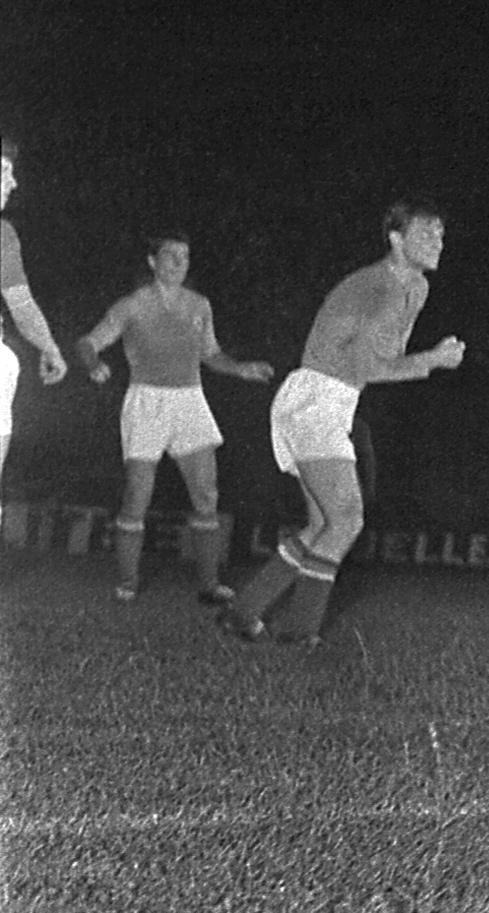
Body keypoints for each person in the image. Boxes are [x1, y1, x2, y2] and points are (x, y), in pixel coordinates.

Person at [220, 202, 463, 647]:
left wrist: (422, 360)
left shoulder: (416, 287)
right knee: (347, 519)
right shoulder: (378, 287)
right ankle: (298, 633)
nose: (438, 242)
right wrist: (433, 360)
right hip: (316, 398)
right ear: (395, 238)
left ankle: (242, 612)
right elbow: (365, 364)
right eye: (427, 233)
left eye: (442, 235)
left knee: (321, 527)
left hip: (331, 400)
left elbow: (378, 361)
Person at [78, 233, 276, 602]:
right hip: (146, 401)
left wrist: (241, 369)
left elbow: (211, 354)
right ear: (152, 261)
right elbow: (88, 341)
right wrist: (94, 364)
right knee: (138, 493)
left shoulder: (200, 305)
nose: (178, 264)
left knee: (206, 491)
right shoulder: (132, 305)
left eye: (184, 257)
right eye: (170, 256)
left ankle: (208, 585)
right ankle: (127, 581)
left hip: (189, 400)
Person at [0, 139, 69, 488]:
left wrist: (50, 347)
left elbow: (22, 305)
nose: (13, 183)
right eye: (4, 172)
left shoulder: (3, 235)